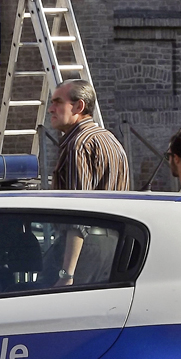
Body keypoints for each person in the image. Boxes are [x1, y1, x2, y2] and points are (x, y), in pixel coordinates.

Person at [47, 80, 129, 286]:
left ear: (79, 106)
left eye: (58, 102)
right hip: (115, 246)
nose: (51, 109)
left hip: (84, 250)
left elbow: (79, 214)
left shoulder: (78, 145)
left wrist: (67, 273)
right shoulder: (111, 140)